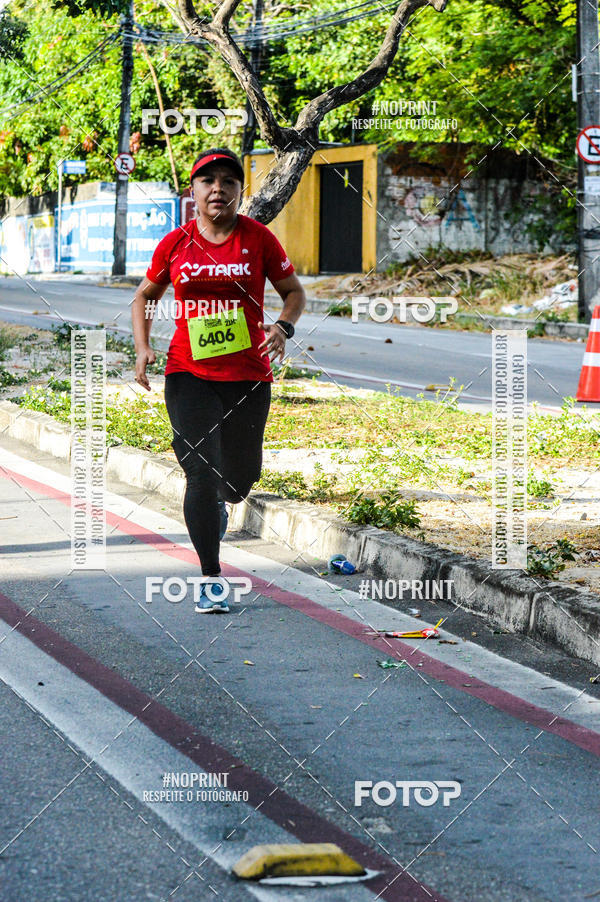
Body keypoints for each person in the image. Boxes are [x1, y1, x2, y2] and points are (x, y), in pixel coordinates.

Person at [131, 147, 305, 613]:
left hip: (248, 374)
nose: (218, 188)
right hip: (188, 372)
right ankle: (211, 576)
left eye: (228, 181)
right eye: (208, 181)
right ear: (193, 191)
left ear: (237, 191)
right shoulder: (176, 242)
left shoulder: (259, 239)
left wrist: (282, 326)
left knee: (241, 476)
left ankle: (227, 502)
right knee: (200, 475)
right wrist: (143, 346)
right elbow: (145, 296)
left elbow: (293, 292)